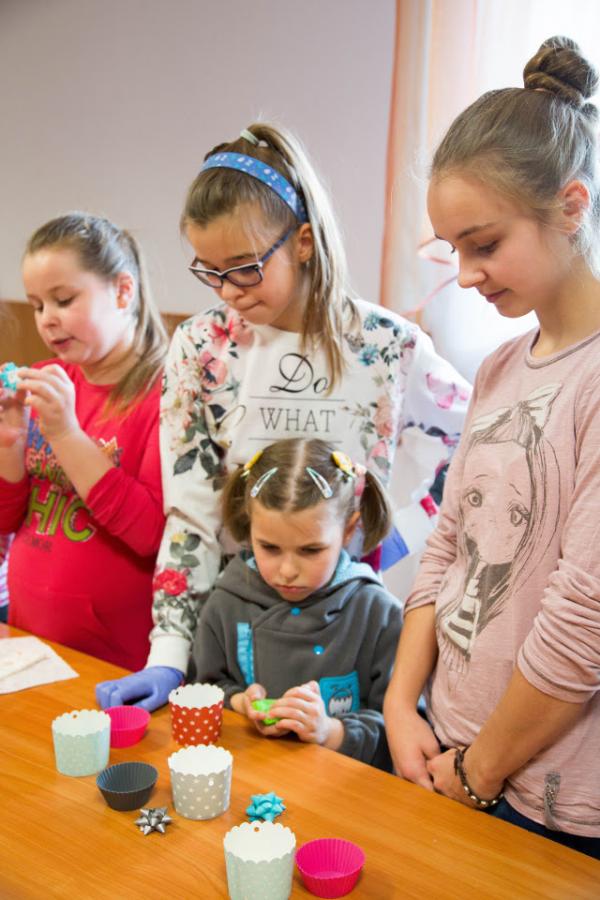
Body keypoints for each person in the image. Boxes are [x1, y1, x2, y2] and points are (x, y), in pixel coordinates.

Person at [96, 121, 470, 712]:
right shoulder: (201, 348)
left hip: (350, 631)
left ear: (302, 241)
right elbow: (190, 516)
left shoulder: (385, 345)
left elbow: (478, 440)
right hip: (237, 633)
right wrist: (167, 653)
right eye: (208, 270)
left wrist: (397, 532)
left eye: (244, 267)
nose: (227, 291)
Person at [383, 36, 600, 858]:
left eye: (484, 244)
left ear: (571, 206)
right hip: (450, 750)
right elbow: (449, 547)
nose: (467, 274)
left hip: (546, 797)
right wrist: (402, 702)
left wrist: (480, 772)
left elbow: (584, 623)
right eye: (453, 250)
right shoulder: (501, 367)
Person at [0, 213, 168, 669]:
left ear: (123, 292)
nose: (47, 320)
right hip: (28, 636)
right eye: (37, 305)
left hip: (113, 658)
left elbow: (150, 534)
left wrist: (65, 434)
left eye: (63, 299)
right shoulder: (51, 380)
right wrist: (9, 442)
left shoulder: (165, 395)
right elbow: (8, 519)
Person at [193, 437, 401, 769]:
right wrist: (239, 702)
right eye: (269, 548)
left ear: (349, 531)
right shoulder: (225, 604)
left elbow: (401, 732)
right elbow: (204, 689)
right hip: (250, 779)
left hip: (342, 789)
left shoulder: (379, 614)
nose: (288, 571)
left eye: (310, 550)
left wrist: (330, 732)